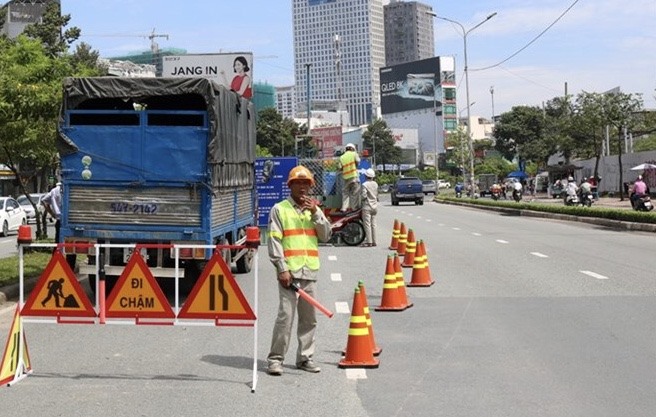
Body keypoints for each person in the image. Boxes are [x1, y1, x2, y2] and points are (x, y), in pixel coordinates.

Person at [266, 165, 332, 376]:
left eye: (306, 183)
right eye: (298, 183)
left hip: (309, 271)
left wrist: (315, 213)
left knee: (309, 319)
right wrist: (281, 268)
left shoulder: (315, 209)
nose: (303, 187)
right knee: (285, 317)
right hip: (289, 274)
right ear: (291, 185)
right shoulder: (280, 209)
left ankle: (305, 357)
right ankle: (275, 359)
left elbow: (326, 235)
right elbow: (274, 240)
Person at [338, 143, 361, 211]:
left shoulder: (341, 157)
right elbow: (358, 161)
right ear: (352, 148)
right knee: (355, 193)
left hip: (346, 178)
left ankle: (344, 208)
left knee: (345, 193)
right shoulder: (354, 154)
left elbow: (339, 167)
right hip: (354, 176)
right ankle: (354, 208)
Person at [360, 168, 378, 247]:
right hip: (374, 206)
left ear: (366, 176)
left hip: (367, 206)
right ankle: (374, 241)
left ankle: (369, 242)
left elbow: (364, 196)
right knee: (373, 224)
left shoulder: (364, 184)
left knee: (367, 224)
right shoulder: (375, 184)